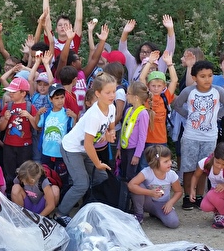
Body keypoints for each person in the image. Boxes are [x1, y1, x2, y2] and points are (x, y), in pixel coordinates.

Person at [53, 72, 117, 226]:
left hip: (85, 149)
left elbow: (111, 127)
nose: (112, 95)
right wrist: (97, 164)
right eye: (108, 92)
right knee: (81, 183)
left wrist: (109, 134)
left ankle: (89, 204)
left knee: (101, 178)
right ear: (98, 93)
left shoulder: (111, 107)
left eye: (114, 91)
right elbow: (88, 144)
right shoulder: (94, 115)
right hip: (72, 148)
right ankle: (60, 213)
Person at [172, 60, 224, 210]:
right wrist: (188, 115)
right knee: (188, 168)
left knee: (204, 168)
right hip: (190, 136)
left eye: (210, 75)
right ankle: (188, 196)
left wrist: (215, 116)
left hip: (210, 137)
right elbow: (176, 104)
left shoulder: (218, 91)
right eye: (202, 76)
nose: (207, 79)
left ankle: (200, 195)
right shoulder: (189, 91)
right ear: (194, 78)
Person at [138, 50, 178, 169]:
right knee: (145, 166)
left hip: (161, 139)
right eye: (153, 86)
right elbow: (141, 78)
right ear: (148, 86)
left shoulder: (165, 98)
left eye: (159, 86)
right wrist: (150, 62)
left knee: (160, 166)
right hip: (146, 140)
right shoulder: (145, 97)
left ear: (164, 86)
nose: (156, 88)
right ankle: (144, 188)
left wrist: (170, 64)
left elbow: (174, 80)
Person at [0, 77, 38, 191]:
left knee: (24, 170)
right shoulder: (8, 106)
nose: (10, 93)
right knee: (9, 171)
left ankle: (22, 193)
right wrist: (5, 119)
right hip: (9, 145)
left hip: (25, 146)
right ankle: (9, 193)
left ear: (23, 93)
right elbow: (0, 127)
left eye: (14, 92)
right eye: (10, 91)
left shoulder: (30, 107)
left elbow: (37, 127)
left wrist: (29, 116)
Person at [128, 145, 183, 228]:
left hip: (162, 204)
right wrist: (150, 192)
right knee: (138, 185)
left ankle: (155, 213)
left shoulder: (171, 174)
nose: (170, 163)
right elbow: (131, 185)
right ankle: (139, 213)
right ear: (155, 162)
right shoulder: (147, 172)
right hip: (147, 201)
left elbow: (179, 191)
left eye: (170, 160)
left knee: (173, 223)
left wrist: (170, 203)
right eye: (166, 161)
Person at [189, 142, 224, 229]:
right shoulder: (205, 162)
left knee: (211, 194)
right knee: (205, 206)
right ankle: (219, 212)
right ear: (214, 154)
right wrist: (192, 189)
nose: (220, 166)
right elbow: (196, 176)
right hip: (215, 191)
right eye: (217, 162)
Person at [37, 83, 76, 189]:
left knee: (63, 178)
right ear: (50, 99)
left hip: (61, 153)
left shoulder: (67, 114)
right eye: (56, 98)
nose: (60, 100)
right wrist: (37, 114)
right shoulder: (46, 113)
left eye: (62, 97)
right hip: (46, 152)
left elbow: (74, 130)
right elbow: (38, 126)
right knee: (46, 177)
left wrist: (75, 117)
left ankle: (62, 200)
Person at [119, 15, 176, 84]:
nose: (144, 54)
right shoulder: (134, 64)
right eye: (142, 51)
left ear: (155, 54)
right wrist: (125, 32)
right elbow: (122, 50)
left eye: (148, 52)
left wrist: (170, 29)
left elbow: (170, 48)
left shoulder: (160, 64)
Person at [116, 81, 152, 182]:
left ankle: (130, 196)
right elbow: (123, 129)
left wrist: (137, 155)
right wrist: (119, 147)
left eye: (128, 93)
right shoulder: (128, 110)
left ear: (136, 97)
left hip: (133, 150)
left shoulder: (143, 113)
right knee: (122, 174)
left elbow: (142, 136)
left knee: (130, 177)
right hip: (124, 148)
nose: (126, 95)